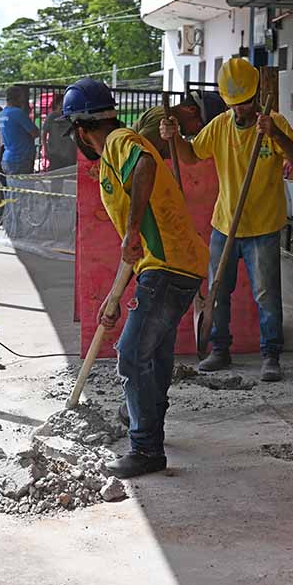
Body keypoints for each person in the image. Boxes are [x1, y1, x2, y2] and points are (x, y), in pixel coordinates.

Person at [62, 78, 209, 478]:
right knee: (154, 351)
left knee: (131, 353)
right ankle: (147, 419)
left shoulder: (119, 143)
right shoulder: (117, 149)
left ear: (80, 130)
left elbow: (143, 167)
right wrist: (115, 296)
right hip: (169, 264)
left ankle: (146, 448)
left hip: (170, 266)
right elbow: (138, 244)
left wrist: (128, 233)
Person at [160, 58, 293, 382]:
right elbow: (191, 154)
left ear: (255, 97)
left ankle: (270, 354)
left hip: (264, 228)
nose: (239, 111)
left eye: (244, 104)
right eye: (233, 105)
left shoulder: (275, 123)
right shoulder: (221, 125)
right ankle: (219, 350)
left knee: (266, 295)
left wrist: (277, 136)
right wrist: (173, 138)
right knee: (218, 291)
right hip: (225, 225)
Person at [133, 90, 227, 158]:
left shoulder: (170, 125)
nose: (198, 133)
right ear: (192, 110)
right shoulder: (163, 121)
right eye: (201, 126)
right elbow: (137, 158)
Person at [0, 86, 39, 175]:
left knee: (13, 188)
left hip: (8, 158)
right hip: (21, 159)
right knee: (24, 187)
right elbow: (35, 132)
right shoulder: (18, 113)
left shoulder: (2, 114)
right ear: (18, 98)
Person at [41, 94, 77, 171]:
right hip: (55, 153)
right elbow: (44, 134)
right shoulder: (51, 116)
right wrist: (45, 149)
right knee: (56, 176)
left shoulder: (71, 116)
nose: (62, 106)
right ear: (56, 104)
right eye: (60, 103)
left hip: (69, 152)